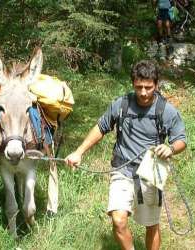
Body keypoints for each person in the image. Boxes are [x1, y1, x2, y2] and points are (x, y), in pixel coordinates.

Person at [65, 60, 187, 250]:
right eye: (139, 87)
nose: (144, 92)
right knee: (118, 220)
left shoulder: (166, 110)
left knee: (151, 225)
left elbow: (181, 140)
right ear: (133, 84)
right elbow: (101, 127)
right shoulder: (121, 104)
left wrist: (170, 149)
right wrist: (79, 152)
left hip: (151, 173)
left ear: (156, 84)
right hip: (122, 170)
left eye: (148, 87)